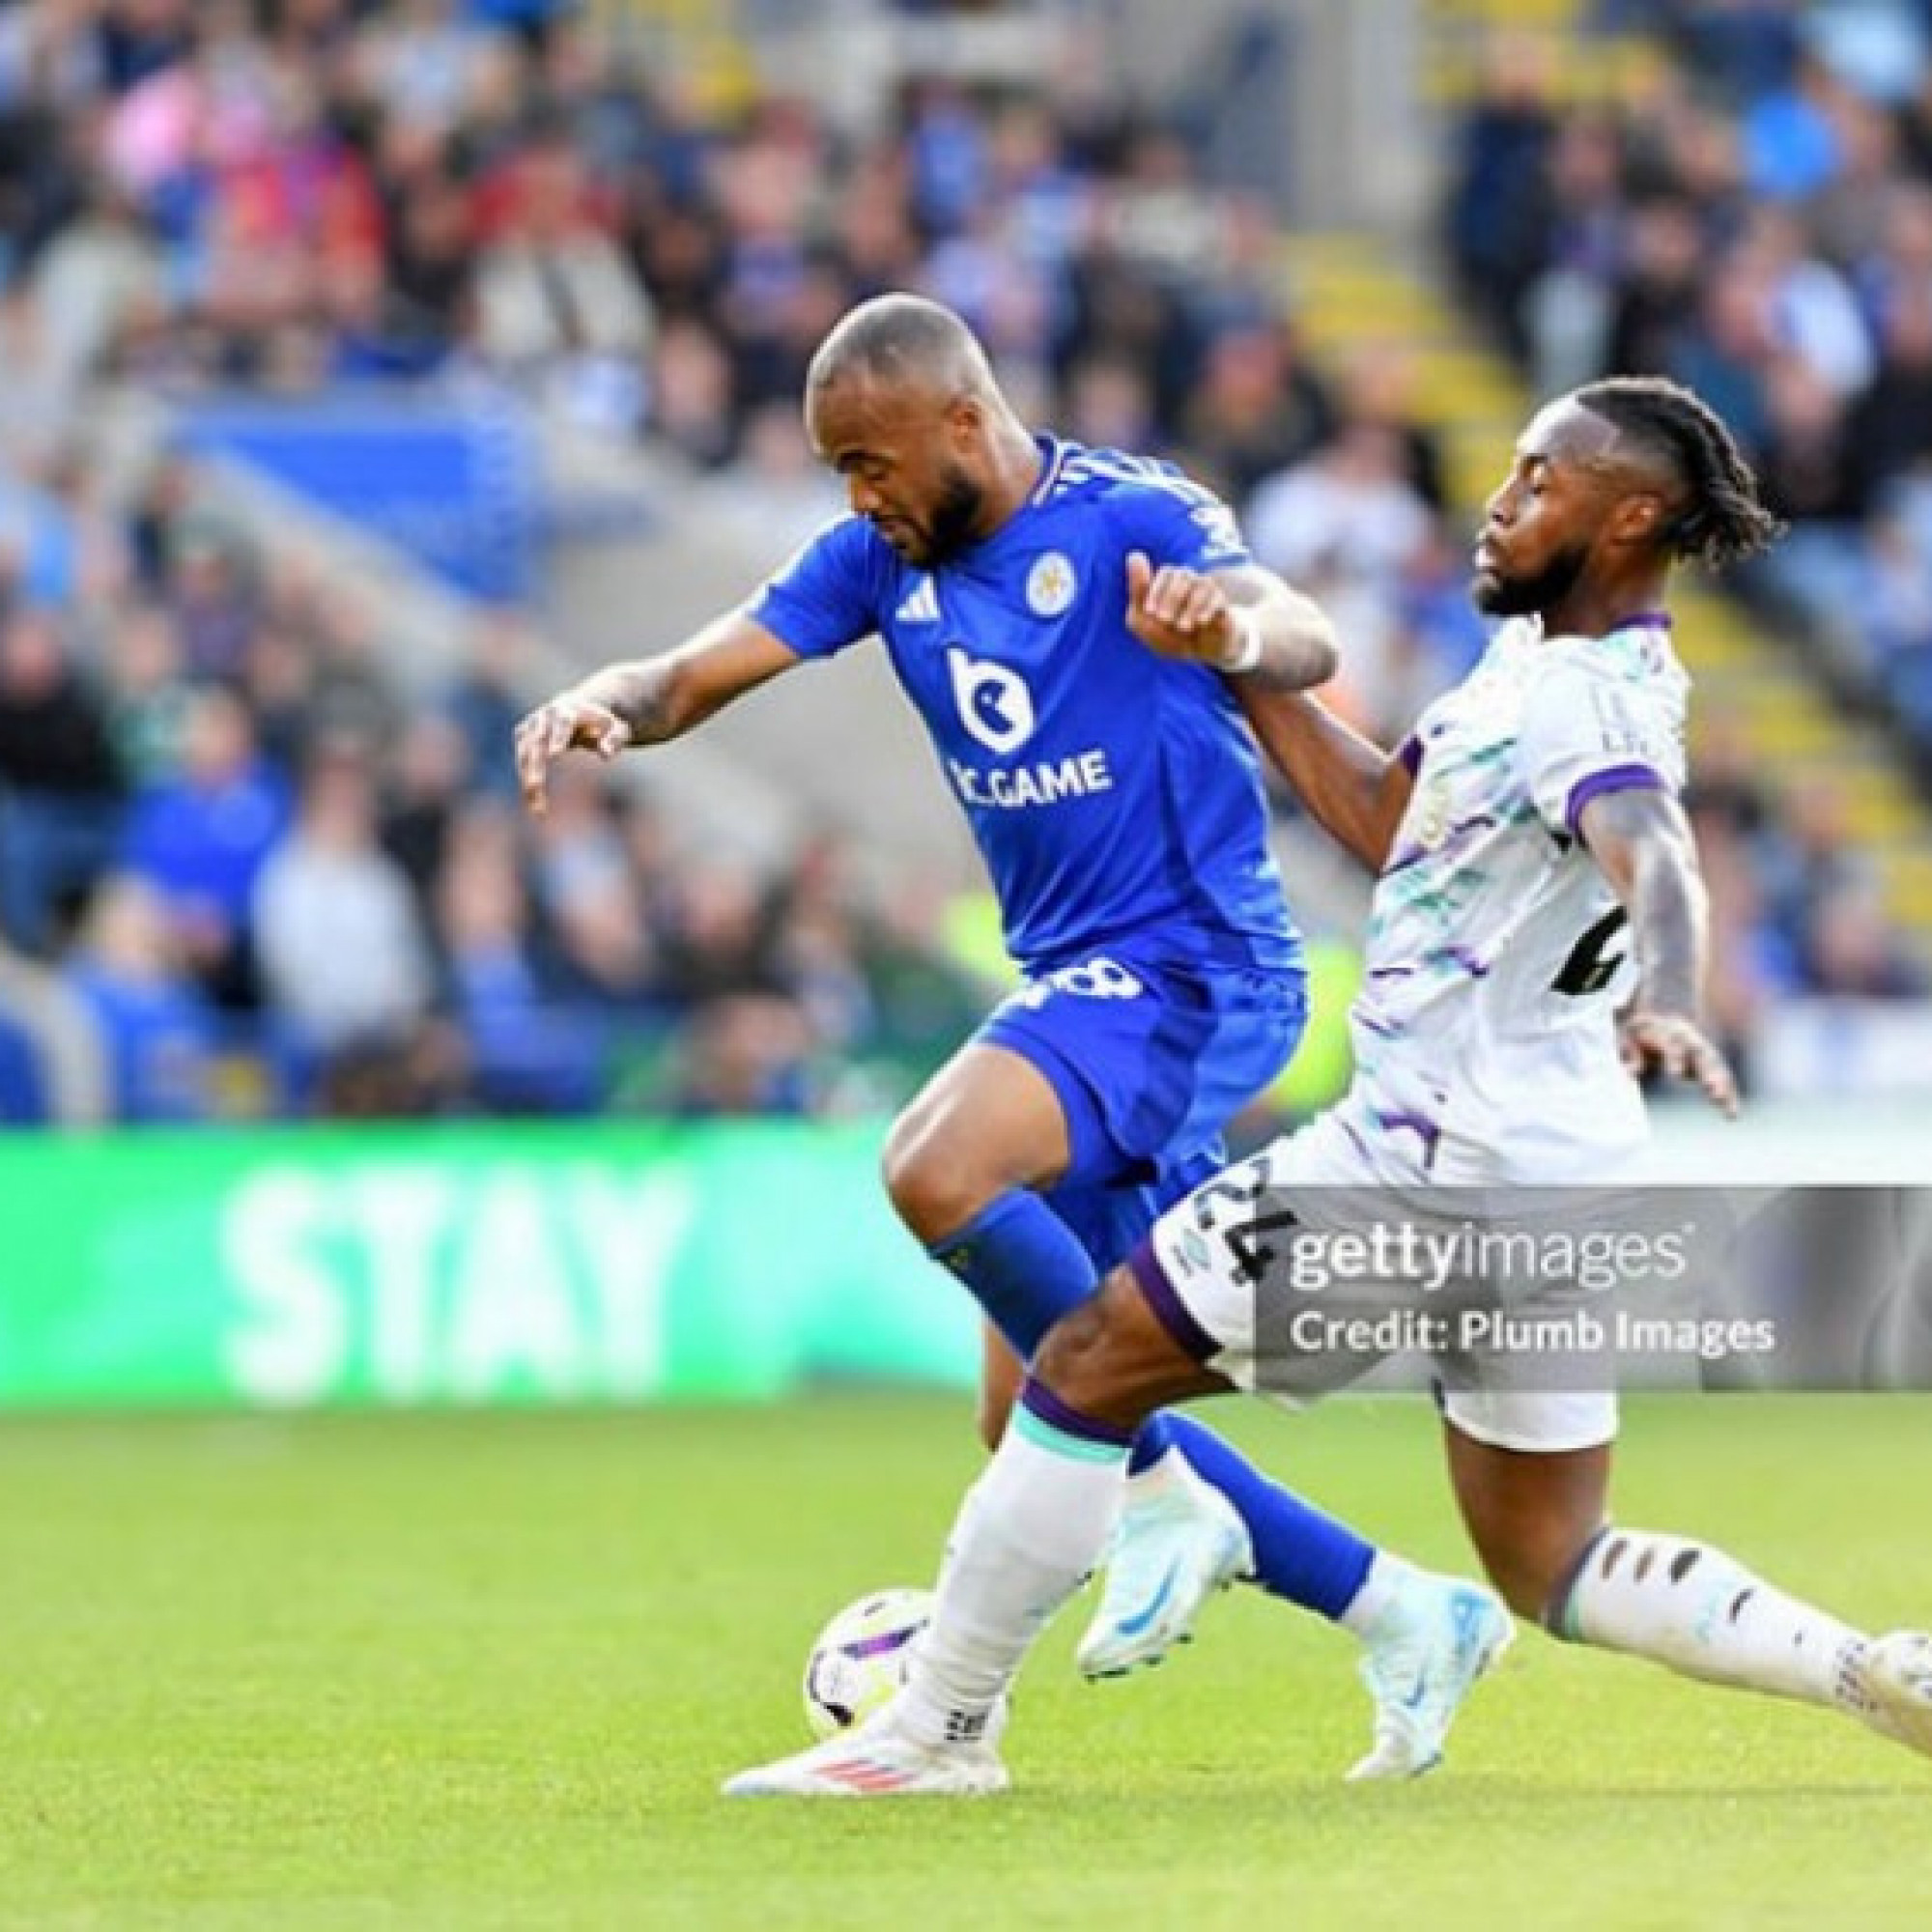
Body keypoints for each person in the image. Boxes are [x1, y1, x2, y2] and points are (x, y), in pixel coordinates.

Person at [724, 375, 1932, 1798]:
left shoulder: (1585, 703)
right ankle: (1866, 1665)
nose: (1500, 498)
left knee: (1085, 1364)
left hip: (1426, 1169)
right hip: (1561, 1171)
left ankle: (940, 1730)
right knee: (1554, 1556)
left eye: (1541, 481)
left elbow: (1654, 846)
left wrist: (1672, 987)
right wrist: (1231, 657)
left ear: (1631, 520)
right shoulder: (1544, 673)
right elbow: (1386, 821)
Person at [517, 294, 1505, 1760]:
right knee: (1042, 1419)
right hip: (1082, 986)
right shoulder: (874, 559)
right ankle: (1405, 1614)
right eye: (837, 469)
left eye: (871, 460)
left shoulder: (1128, 516)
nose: (859, 495)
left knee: (932, 1165)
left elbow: (1294, 630)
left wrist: (1226, 621)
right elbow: (697, 673)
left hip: (1197, 966)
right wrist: (610, 698)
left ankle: (1107, 1566)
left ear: (965, 421)